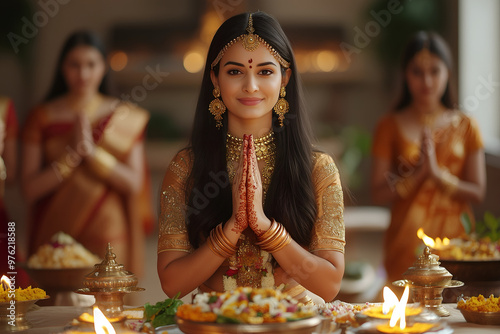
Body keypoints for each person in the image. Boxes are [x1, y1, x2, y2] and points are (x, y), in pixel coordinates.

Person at [157, 12, 345, 305]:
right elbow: (172, 284)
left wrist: (265, 228)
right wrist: (231, 229)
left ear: (285, 78)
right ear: (214, 79)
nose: (250, 86)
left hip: (292, 322)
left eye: (265, 72)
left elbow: (330, 285)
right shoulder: (186, 167)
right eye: (234, 72)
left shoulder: (317, 168)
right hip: (213, 322)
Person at [21, 31, 152, 275]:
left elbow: (134, 183)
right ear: (62, 67)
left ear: (104, 67)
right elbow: (29, 189)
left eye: (91, 65)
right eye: (74, 65)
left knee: (109, 308)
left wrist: (92, 155)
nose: (83, 74)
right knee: (53, 311)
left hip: (110, 236)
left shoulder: (124, 116)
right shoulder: (42, 116)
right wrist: (70, 159)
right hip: (55, 237)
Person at [370, 31, 486, 283]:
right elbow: (378, 192)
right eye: (417, 72)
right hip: (406, 240)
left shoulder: (466, 125)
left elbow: (477, 191)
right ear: (405, 74)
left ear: (448, 73)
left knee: (456, 309)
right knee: (407, 315)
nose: (427, 81)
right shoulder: (389, 125)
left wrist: (436, 174)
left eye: (435, 71)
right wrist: (418, 175)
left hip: (456, 242)